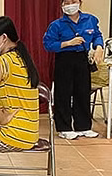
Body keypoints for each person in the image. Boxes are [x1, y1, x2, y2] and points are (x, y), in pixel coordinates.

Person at [44, 0, 105, 139]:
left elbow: (97, 35)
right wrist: (67, 43)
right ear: (62, 5)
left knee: (83, 92)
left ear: (80, 3)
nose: (70, 5)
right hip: (64, 59)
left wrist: (99, 47)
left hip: (82, 59)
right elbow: (48, 44)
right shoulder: (56, 25)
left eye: (74, 1)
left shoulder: (90, 20)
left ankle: (83, 126)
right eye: (67, 2)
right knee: (63, 93)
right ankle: (64, 127)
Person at [0, 17, 40, 152]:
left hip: (11, 135)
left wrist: (2, 119)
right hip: (30, 133)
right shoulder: (22, 58)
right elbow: (17, 100)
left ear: (3, 37)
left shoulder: (1, 61)